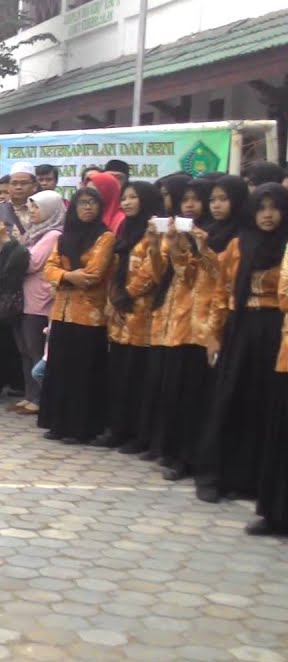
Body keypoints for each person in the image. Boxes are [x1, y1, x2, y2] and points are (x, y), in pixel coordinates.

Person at [194, 184, 288, 536]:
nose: (267, 214)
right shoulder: (239, 244)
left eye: (275, 208)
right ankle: (222, 475)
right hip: (243, 331)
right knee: (233, 400)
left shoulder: (286, 245)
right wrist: (213, 335)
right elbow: (220, 290)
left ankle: (259, 481)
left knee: (269, 407)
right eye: (261, 207)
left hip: (278, 333)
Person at [132, 177, 222, 466]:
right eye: (185, 200)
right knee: (164, 387)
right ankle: (161, 445)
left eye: (197, 199)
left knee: (191, 392)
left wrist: (197, 246)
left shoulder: (223, 235)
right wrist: (163, 241)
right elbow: (161, 274)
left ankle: (185, 455)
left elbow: (211, 276)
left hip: (204, 322)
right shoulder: (177, 231)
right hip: (170, 318)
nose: (191, 205)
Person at [38, 187, 116, 443]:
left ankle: (81, 428)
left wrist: (63, 277)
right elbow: (49, 268)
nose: (87, 208)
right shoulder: (64, 237)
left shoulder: (105, 237)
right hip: (62, 313)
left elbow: (93, 273)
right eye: (82, 203)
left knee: (83, 373)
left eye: (93, 203)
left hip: (89, 315)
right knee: (60, 369)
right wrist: (69, 276)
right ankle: (59, 424)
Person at [94, 181, 162, 449]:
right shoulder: (125, 229)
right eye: (124, 197)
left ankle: (137, 434)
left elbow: (151, 272)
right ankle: (117, 429)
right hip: (119, 312)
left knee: (137, 376)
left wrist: (127, 295)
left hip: (141, 312)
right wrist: (113, 298)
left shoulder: (153, 233)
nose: (127, 202)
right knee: (119, 374)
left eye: (133, 197)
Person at [0, 190, 65, 416]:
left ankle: (41, 399)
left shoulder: (53, 235)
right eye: (31, 207)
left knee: (36, 351)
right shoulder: (35, 233)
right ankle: (30, 396)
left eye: (36, 207)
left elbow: (31, 263)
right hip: (23, 299)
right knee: (24, 351)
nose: (32, 212)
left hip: (39, 300)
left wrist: (8, 241)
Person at [0, 162, 34, 400]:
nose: (18, 188)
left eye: (24, 183)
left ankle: (22, 385)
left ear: (34, 186)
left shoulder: (41, 211)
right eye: (14, 183)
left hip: (31, 282)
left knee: (25, 338)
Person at [87, 171, 125, 235]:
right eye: (87, 191)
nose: (88, 196)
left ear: (108, 192)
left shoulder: (122, 221)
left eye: (93, 192)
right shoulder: (89, 216)